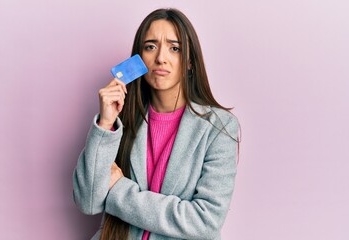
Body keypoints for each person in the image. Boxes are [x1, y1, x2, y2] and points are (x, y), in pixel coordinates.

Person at [73, 8, 240, 240]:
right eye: (150, 46)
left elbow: (205, 220)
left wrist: (119, 190)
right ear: (138, 59)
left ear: (190, 62)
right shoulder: (121, 119)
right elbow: (87, 201)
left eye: (175, 48)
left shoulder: (218, 127)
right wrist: (105, 124)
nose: (161, 57)